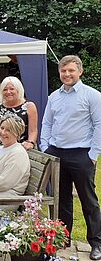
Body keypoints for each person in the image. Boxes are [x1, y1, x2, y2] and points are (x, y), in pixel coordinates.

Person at [39, 55, 101, 260]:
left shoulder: (92, 95)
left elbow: (99, 125)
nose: (67, 74)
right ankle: (62, 238)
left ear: (80, 72)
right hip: (56, 153)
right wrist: (45, 146)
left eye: (71, 71)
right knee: (61, 199)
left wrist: (93, 155)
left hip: (81, 154)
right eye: (63, 71)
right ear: (59, 72)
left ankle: (96, 243)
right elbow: (46, 123)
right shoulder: (54, 97)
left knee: (88, 201)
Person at [0, 76, 38, 156]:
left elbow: (33, 131)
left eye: (11, 89)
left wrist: (30, 142)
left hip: (18, 152)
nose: (8, 92)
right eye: (5, 89)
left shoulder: (29, 106)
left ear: (18, 90)